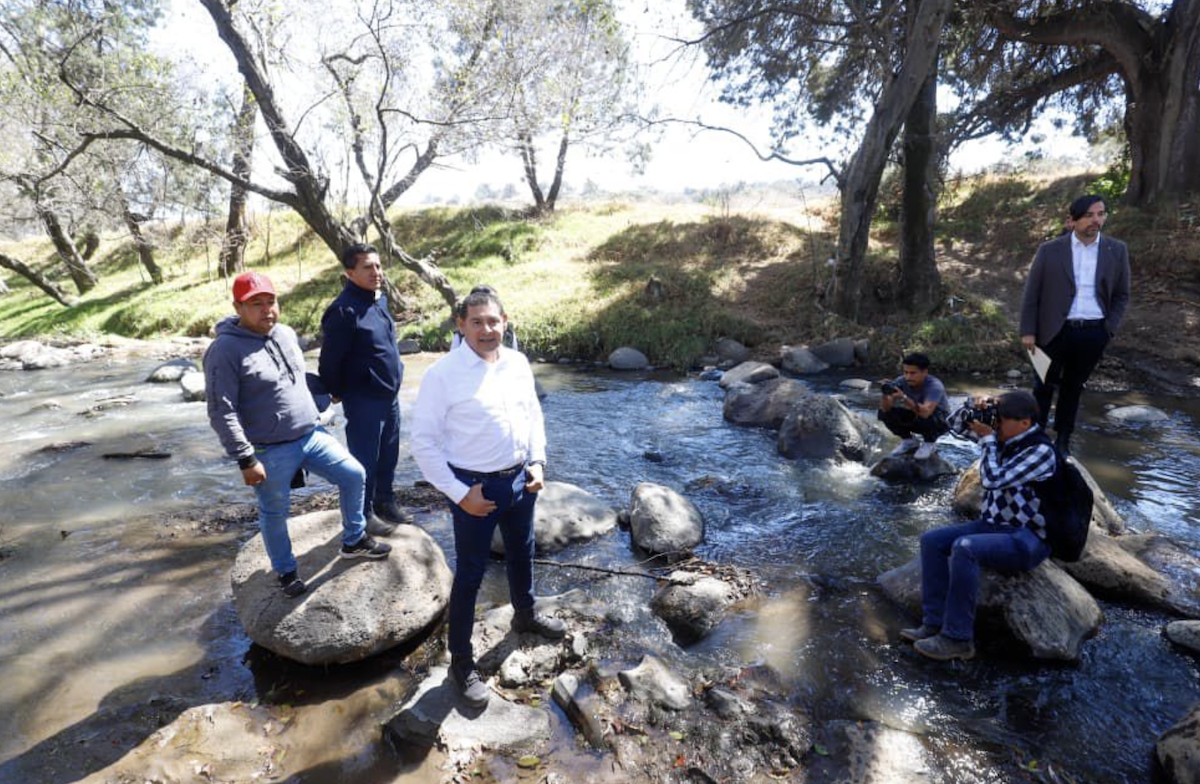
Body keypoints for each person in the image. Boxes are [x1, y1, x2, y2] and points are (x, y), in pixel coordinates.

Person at [410, 287, 565, 707]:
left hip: (520, 480)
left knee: (522, 550)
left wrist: (537, 461)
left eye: (493, 320)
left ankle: (526, 613)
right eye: (476, 321)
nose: (486, 329)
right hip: (474, 488)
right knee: (471, 574)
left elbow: (532, 414)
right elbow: (422, 445)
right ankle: (462, 661)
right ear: (461, 325)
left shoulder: (517, 363)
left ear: (505, 321)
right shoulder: (442, 375)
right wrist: (461, 496)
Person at [204, 271, 391, 598]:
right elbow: (222, 411)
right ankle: (286, 571)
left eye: (271, 301)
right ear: (238, 307)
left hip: (311, 434)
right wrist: (246, 459)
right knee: (275, 511)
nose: (267, 310)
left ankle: (353, 540)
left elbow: (296, 380)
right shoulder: (224, 351)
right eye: (256, 304)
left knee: (353, 474)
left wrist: (327, 395)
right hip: (267, 449)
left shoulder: (286, 334)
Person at [901, 390, 1056, 661]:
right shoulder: (1000, 437)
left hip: (1027, 538)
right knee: (932, 540)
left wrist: (986, 440)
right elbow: (955, 424)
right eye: (997, 417)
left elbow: (993, 479)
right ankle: (934, 623)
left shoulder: (1040, 450)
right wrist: (972, 405)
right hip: (993, 526)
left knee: (965, 548)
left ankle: (958, 639)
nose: (996, 424)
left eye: (1002, 419)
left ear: (1025, 422)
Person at [1020, 194, 1131, 456]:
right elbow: (1032, 292)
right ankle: (1034, 437)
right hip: (1051, 332)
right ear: (1073, 220)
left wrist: (1109, 328)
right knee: (1042, 386)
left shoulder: (1116, 249)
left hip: (1094, 332)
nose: (1096, 220)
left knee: (1073, 388)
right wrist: (1028, 330)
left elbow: (1122, 294)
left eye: (1101, 214)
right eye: (1090, 215)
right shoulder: (1050, 250)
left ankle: (1063, 440)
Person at [319, 243, 411, 534]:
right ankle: (364, 512)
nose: (376, 272)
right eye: (368, 267)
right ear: (350, 273)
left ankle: (385, 501)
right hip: (363, 399)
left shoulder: (378, 301)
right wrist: (334, 390)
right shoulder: (343, 311)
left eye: (378, 266)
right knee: (364, 460)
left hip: (389, 395)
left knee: (388, 455)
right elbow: (330, 359)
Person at [877, 352, 951, 460]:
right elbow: (885, 408)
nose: (908, 377)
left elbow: (926, 413)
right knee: (884, 413)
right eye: (905, 372)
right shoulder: (901, 381)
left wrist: (903, 397)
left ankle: (929, 443)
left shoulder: (934, 385)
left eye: (912, 373)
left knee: (926, 414)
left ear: (924, 372)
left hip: (939, 422)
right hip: (918, 417)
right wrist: (885, 394)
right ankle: (908, 441)